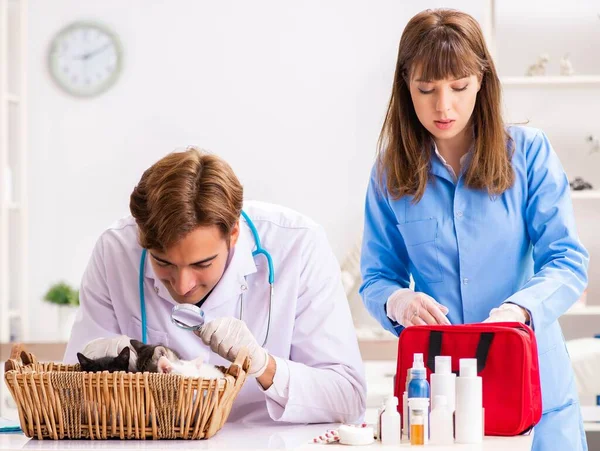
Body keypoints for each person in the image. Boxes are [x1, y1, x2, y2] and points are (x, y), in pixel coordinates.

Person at [359, 9, 588, 451]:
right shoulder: (389, 172)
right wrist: (397, 299)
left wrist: (520, 310)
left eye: (459, 87)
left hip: (534, 381)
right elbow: (376, 276)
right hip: (439, 394)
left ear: (482, 80)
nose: (443, 106)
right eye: (426, 89)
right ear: (406, 86)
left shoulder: (529, 153)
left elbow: (568, 259)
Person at [64, 146, 366, 424]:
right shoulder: (116, 250)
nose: (182, 286)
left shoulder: (298, 244)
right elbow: (70, 394)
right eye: (163, 263)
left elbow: (348, 397)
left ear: (233, 233)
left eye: (201, 264)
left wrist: (264, 366)